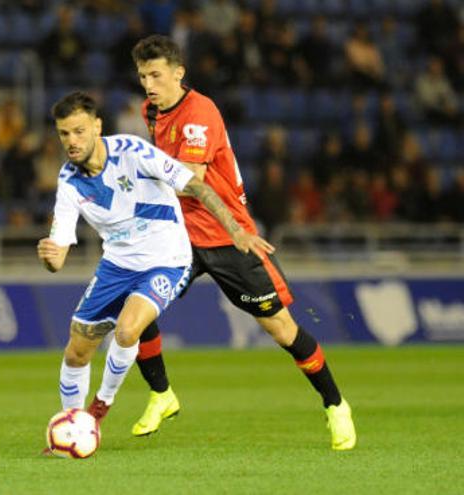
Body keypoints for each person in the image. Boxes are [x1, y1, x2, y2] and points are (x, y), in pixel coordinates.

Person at [131, 34, 356, 449]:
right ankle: (162, 394)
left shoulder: (200, 113)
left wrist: (135, 178)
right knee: (135, 305)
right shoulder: (151, 111)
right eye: (143, 75)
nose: (149, 84)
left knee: (282, 330)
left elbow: (193, 180)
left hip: (227, 235)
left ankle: (335, 405)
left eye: (156, 75)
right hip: (180, 238)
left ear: (178, 73)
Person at [37, 91, 273, 432]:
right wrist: (49, 256)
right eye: (64, 133)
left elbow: (196, 185)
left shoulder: (133, 151)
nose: (71, 141)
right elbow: (57, 258)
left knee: (129, 328)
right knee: (77, 351)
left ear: (97, 127)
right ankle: (72, 425)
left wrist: (235, 229)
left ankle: (99, 410)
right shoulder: (68, 180)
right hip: (116, 265)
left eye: (79, 131)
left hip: (168, 259)